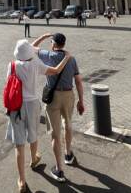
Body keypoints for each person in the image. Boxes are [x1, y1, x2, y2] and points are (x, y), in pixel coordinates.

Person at [6, 39, 72, 192]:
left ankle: (22, 181)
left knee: (19, 144)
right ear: (29, 52)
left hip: (16, 105)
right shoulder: (35, 63)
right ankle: (34, 158)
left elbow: (8, 84)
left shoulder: (12, 65)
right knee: (33, 134)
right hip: (33, 104)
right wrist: (67, 57)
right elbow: (55, 70)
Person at [33, 33, 84, 183]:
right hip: (69, 95)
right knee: (68, 124)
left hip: (53, 97)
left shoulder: (47, 55)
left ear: (54, 44)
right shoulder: (72, 59)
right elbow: (79, 82)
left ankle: (59, 169)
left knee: (55, 134)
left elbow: (31, 47)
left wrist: (43, 36)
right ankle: (68, 154)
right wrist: (81, 101)